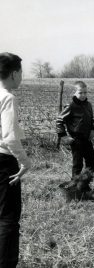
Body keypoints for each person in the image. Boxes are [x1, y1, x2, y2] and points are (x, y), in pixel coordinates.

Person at [0, 52, 31, 267]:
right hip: (4, 163)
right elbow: (9, 136)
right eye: (21, 72)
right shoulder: (8, 97)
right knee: (8, 219)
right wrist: (24, 161)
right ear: (13, 74)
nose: (22, 76)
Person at [56, 81, 94, 183]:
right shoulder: (71, 106)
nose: (83, 95)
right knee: (78, 164)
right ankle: (74, 186)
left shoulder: (88, 105)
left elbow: (91, 119)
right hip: (76, 140)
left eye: (85, 92)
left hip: (87, 139)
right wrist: (63, 136)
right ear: (74, 93)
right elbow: (59, 121)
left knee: (92, 161)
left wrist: (92, 129)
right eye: (80, 93)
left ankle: (85, 184)